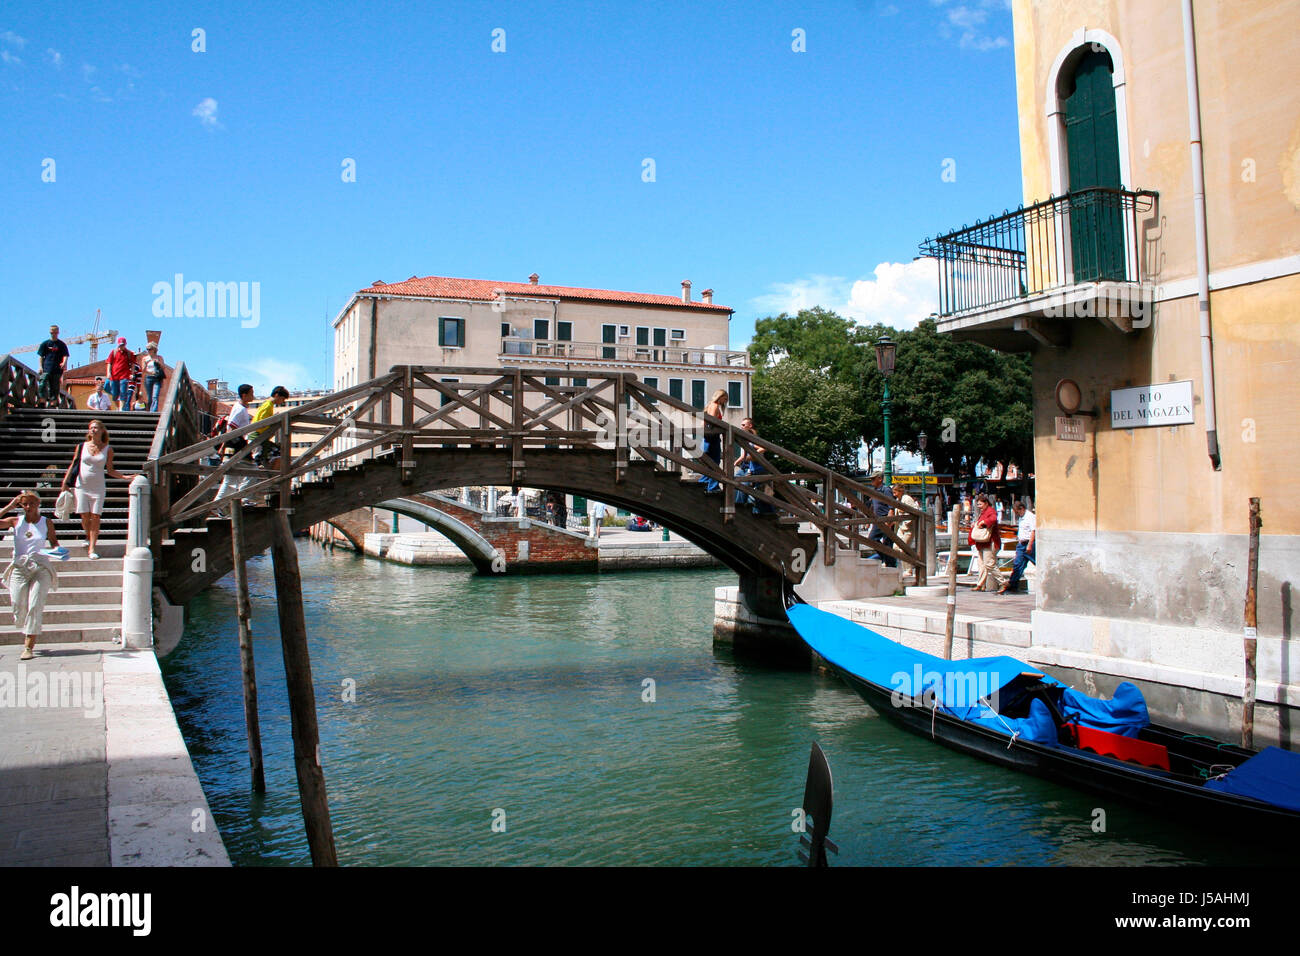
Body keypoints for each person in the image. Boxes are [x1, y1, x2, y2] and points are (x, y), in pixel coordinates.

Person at [60, 420, 136, 560]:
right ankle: (88, 536)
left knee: (95, 516)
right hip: (82, 485)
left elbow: (110, 470)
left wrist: (125, 477)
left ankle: (92, 548)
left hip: (98, 487)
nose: (93, 430)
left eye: (96, 428)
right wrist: (65, 481)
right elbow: (74, 463)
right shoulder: (82, 446)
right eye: (91, 428)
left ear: (102, 431)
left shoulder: (108, 449)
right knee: (84, 515)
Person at [0, 491, 61, 660]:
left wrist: (58, 551)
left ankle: (28, 646)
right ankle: (24, 625)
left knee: (35, 604)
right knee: (18, 604)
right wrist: (10, 506)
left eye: (31, 504)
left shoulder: (46, 522)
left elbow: (54, 542)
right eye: (25, 504)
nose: (28, 507)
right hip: (20, 567)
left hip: (40, 567)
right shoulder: (15, 521)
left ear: (38, 504)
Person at [215, 384, 256, 513]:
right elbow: (232, 427)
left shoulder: (239, 408)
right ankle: (244, 498)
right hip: (237, 446)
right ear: (244, 395)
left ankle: (217, 507)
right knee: (253, 471)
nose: (253, 396)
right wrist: (228, 443)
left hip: (231, 446)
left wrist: (224, 445)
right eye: (251, 393)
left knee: (230, 479)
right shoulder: (240, 409)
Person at [733, 418, 773, 514]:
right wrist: (736, 462)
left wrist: (752, 456)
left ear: (750, 426)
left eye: (743, 425)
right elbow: (744, 455)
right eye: (741, 425)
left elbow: (762, 448)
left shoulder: (752, 440)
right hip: (752, 468)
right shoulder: (746, 440)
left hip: (759, 469)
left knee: (761, 492)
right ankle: (740, 505)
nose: (741, 427)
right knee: (739, 482)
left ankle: (741, 506)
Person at [999, 500, 1036, 594]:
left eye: (1016, 512)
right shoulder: (1021, 517)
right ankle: (1012, 585)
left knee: (1037, 562)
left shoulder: (1030, 517)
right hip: (1021, 544)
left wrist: (1030, 545)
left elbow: (1033, 531)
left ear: (1021, 508)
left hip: (1029, 544)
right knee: (1017, 564)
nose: (1016, 514)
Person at [969, 492, 1003, 592]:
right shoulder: (983, 513)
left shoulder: (991, 511)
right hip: (981, 543)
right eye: (978, 504)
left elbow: (993, 519)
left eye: (980, 504)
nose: (979, 506)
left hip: (990, 542)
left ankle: (1003, 582)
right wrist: (976, 523)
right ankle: (980, 584)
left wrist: (984, 522)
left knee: (989, 563)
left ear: (986, 503)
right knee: (981, 564)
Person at [697, 388, 728, 493]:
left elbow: (704, 423)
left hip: (707, 438)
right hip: (712, 438)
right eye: (725, 399)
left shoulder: (709, 406)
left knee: (710, 463)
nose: (725, 402)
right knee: (715, 462)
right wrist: (721, 426)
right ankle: (712, 487)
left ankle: (705, 484)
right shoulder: (715, 406)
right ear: (720, 397)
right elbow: (712, 422)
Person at [251, 386, 290, 464]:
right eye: (282, 399)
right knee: (261, 458)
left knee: (275, 453)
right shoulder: (268, 405)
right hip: (258, 435)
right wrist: (273, 420)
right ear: (276, 395)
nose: (282, 401)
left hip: (259, 435)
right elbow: (262, 421)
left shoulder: (267, 404)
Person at [36, 325, 70, 408]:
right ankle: (42, 401)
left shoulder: (61, 344)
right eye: (52, 332)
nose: (53, 334)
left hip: (57, 369)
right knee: (42, 383)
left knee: (54, 387)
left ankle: (53, 404)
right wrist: (40, 367)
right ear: (50, 332)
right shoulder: (45, 344)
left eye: (55, 332)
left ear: (58, 333)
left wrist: (64, 363)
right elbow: (40, 356)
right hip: (46, 368)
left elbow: (65, 355)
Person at [868, 471, 897, 567]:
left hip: (884, 519)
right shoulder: (875, 491)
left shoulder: (886, 490)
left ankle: (890, 563)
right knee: (872, 539)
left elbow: (891, 505)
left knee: (887, 543)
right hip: (877, 520)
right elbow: (873, 506)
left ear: (880, 479)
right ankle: (888, 560)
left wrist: (889, 519)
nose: (871, 481)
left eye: (873, 479)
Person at [105, 336, 135, 410]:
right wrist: (108, 372)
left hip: (124, 376)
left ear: (125, 344)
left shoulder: (129, 353)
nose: (121, 346)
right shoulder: (114, 352)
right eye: (120, 345)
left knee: (123, 392)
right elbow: (109, 363)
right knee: (114, 394)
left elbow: (133, 364)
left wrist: (132, 374)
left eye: (123, 345)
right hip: (114, 376)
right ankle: (118, 407)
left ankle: (121, 409)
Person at [891, 482, 920, 551]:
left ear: (900, 491)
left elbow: (914, 510)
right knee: (895, 547)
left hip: (908, 528)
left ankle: (909, 557)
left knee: (903, 548)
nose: (894, 495)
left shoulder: (907, 499)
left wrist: (907, 519)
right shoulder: (898, 500)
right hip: (901, 527)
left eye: (895, 493)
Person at [140, 343, 166, 412]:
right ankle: (150, 410)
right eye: (147, 349)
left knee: (155, 395)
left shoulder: (159, 357)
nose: (148, 351)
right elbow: (143, 370)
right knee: (149, 397)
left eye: (150, 349)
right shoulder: (145, 358)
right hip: (148, 378)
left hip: (157, 378)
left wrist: (158, 363)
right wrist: (147, 363)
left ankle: (153, 411)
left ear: (154, 349)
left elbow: (163, 367)